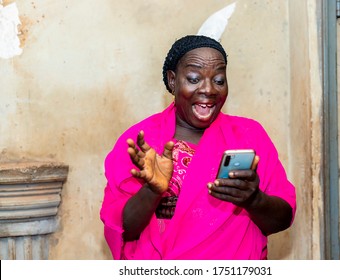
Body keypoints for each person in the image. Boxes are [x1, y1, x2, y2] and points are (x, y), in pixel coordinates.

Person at [100, 35, 296, 260]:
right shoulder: (143, 141)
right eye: (194, 78)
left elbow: (282, 218)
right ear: (173, 80)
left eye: (219, 80)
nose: (209, 89)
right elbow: (124, 230)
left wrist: (254, 200)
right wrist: (152, 192)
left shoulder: (249, 135)